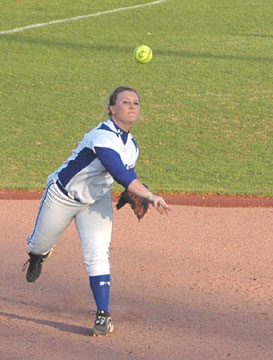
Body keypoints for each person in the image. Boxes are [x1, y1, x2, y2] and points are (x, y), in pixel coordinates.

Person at [23, 86, 170, 336]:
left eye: (136, 102)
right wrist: (149, 194)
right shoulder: (102, 136)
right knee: (38, 243)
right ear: (113, 109)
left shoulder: (132, 146)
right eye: (126, 102)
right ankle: (39, 255)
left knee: (97, 253)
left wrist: (133, 190)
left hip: (97, 200)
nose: (133, 106)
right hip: (63, 196)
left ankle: (103, 314)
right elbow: (119, 172)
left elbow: (128, 173)